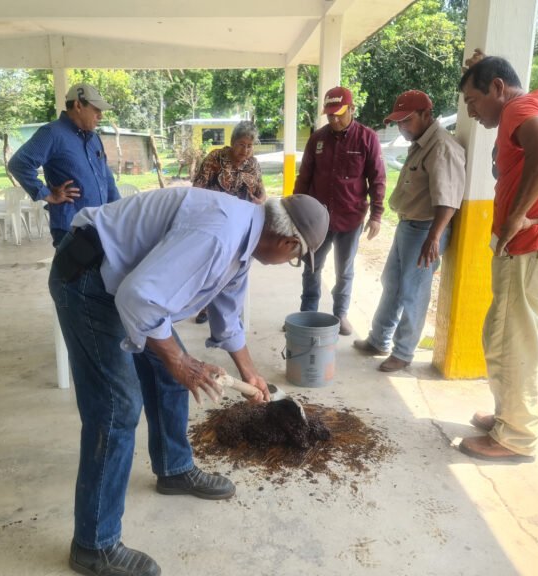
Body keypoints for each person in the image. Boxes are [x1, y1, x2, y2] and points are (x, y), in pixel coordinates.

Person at [50, 188, 329, 576]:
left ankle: (174, 468)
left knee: (169, 379)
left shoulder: (245, 241)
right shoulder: (220, 234)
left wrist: (249, 373)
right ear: (287, 241)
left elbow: (228, 319)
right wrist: (181, 361)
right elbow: (138, 299)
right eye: (296, 257)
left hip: (124, 281)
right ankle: (93, 545)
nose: (290, 262)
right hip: (90, 279)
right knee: (117, 408)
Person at [457, 53, 538, 462]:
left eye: (473, 102)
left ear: (497, 88)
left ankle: (514, 437)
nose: (472, 113)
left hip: (532, 243)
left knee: (510, 340)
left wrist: (515, 218)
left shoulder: (518, 108)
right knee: (509, 334)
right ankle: (507, 416)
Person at [353, 91, 465, 372]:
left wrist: (434, 237)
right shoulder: (421, 143)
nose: (402, 127)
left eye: (407, 120)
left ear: (427, 114)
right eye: (398, 122)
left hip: (426, 229)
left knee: (413, 292)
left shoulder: (441, 147)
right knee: (391, 283)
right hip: (409, 226)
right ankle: (379, 339)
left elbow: (448, 199)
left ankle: (403, 352)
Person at [293, 86, 386, 336]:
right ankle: (307, 312)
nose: (334, 119)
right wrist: (295, 210)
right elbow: (304, 177)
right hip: (317, 220)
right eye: (330, 114)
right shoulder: (317, 139)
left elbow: (377, 178)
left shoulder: (367, 138)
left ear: (351, 109)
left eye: (339, 113)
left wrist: (377, 214)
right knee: (312, 266)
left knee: (345, 270)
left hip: (351, 217)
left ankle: (340, 314)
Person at [8, 83, 120, 247]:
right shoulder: (52, 133)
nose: (100, 116)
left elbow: (106, 178)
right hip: (71, 228)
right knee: (76, 272)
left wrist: (120, 212)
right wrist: (47, 194)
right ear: (78, 105)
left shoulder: (93, 139)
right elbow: (19, 164)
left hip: (99, 224)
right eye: (96, 110)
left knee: (102, 272)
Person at [191, 120, 266, 324]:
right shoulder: (216, 158)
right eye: (242, 144)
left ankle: (227, 308)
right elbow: (197, 189)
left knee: (234, 268)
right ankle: (204, 305)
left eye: (250, 146)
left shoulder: (254, 164)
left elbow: (261, 192)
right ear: (232, 142)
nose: (246, 150)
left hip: (241, 224)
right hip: (214, 222)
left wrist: (261, 201)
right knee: (211, 265)